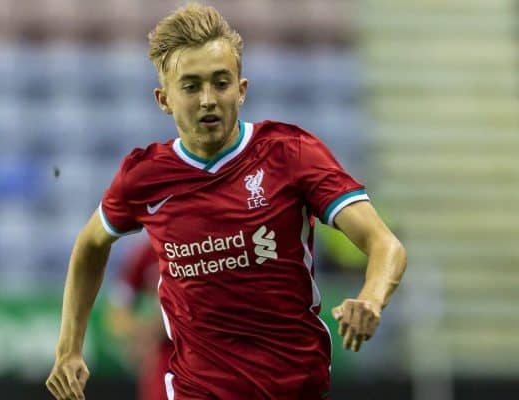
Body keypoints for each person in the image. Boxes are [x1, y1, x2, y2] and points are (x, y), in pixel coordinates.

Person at [46, 3, 407, 400]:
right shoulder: (144, 177)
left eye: (220, 83)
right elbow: (90, 244)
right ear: (163, 98)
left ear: (242, 88)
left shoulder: (291, 153)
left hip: (294, 387)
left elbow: (385, 244)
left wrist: (371, 298)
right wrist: (68, 349)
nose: (207, 99)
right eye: (191, 86)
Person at [106, 237, 170, 400]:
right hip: (162, 362)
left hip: (202, 354)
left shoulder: (202, 248)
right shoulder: (144, 254)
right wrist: (143, 332)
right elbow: (116, 315)